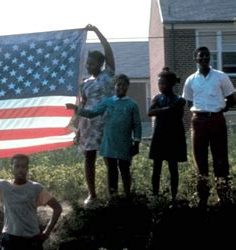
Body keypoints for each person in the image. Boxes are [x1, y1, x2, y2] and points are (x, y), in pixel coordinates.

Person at [67, 74, 141, 198]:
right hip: (109, 142)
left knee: (124, 169)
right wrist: (77, 109)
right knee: (112, 170)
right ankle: (113, 197)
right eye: (118, 85)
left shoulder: (132, 105)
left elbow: (137, 125)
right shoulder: (108, 102)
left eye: (123, 85)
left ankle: (128, 196)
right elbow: (92, 113)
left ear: (127, 87)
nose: (120, 87)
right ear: (115, 86)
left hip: (124, 143)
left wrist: (136, 143)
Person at [182, 46, 235, 207]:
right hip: (198, 122)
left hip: (216, 120)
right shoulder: (191, 80)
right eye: (201, 56)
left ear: (209, 58)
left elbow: (231, 98)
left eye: (206, 55)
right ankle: (203, 198)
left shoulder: (220, 77)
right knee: (200, 160)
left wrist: (219, 110)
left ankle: (223, 196)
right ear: (196, 59)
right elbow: (189, 102)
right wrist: (201, 115)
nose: (204, 58)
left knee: (220, 159)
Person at [71, 24, 115, 206]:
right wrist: (78, 130)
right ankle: (92, 194)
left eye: (92, 63)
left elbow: (108, 49)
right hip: (89, 124)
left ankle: (113, 194)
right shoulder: (84, 83)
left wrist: (97, 32)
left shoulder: (109, 74)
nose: (89, 66)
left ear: (101, 64)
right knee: (89, 157)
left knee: (109, 158)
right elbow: (82, 104)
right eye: (88, 64)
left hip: (107, 121)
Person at [148, 67, 186, 202]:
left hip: (173, 137)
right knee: (156, 168)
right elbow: (150, 112)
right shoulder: (158, 98)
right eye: (159, 83)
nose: (160, 86)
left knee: (173, 168)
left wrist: (163, 111)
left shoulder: (179, 100)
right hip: (159, 136)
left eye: (163, 83)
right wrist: (167, 109)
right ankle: (155, 195)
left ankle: (174, 197)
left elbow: (177, 114)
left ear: (171, 84)